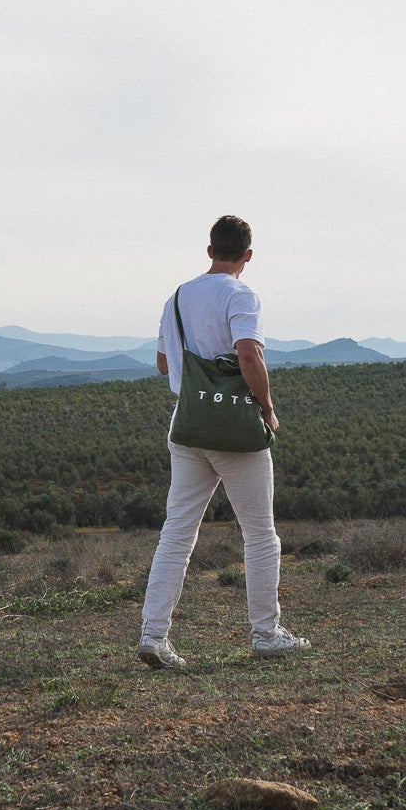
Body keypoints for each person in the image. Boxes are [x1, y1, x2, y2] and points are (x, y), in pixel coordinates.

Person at [137, 215, 312, 668]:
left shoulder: (177, 297)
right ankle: (265, 633)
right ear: (248, 255)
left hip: (189, 424)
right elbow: (249, 352)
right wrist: (268, 408)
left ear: (210, 249)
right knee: (259, 535)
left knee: (176, 532)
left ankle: (153, 636)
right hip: (234, 428)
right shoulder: (242, 295)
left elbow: (162, 364)